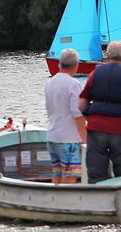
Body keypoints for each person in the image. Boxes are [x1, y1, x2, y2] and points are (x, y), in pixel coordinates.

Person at [79, 40, 121, 183]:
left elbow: (81, 103)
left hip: (95, 129)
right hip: (120, 130)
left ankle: (99, 199)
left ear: (107, 55)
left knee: (96, 173)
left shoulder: (95, 74)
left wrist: (90, 116)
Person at [44, 48, 87, 184]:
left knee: (57, 175)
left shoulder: (49, 83)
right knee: (70, 176)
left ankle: (53, 203)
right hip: (68, 140)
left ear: (59, 63)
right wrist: (85, 139)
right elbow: (78, 114)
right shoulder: (73, 84)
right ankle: (65, 204)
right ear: (76, 65)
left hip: (52, 137)